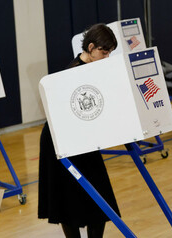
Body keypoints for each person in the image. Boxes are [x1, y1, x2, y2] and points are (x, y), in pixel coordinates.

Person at [38, 23, 120, 238]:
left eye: (110, 53)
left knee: (99, 200)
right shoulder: (72, 73)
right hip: (59, 141)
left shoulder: (94, 69)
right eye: (104, 52)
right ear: (90, 47)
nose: (107, 57)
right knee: (67, 202)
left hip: (83, 140)